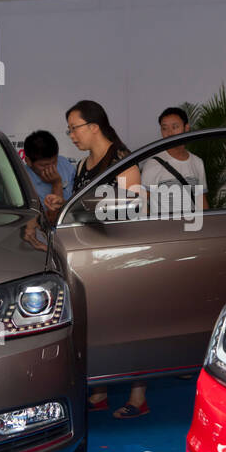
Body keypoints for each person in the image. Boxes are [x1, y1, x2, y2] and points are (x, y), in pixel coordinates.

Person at [64, 100, 148, 419]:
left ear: (94, 127)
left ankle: (138, 397)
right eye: (69, 129)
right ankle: (99, 390)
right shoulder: (83, 165)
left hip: (122, 256)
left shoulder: (123, 162)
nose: (71, 135)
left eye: (75, 128)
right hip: (92, 256)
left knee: (129, 326)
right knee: (97, 326)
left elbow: (134, 210)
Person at [139, 106, 209, 214]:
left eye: (175, 127)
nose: (169, 133)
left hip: (193, 227)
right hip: (165, 229)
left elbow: (202, 201)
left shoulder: (197, 162)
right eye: (164, 128)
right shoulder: (153, 164)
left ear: (186, 128)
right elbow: (142, 204)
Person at [23, 130, 76, 222]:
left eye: (54, 162)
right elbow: (52, 221)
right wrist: (56, 184)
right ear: (28, 161)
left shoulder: (64, 164)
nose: (51, 169)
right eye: (44, 165)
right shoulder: (22, 180)